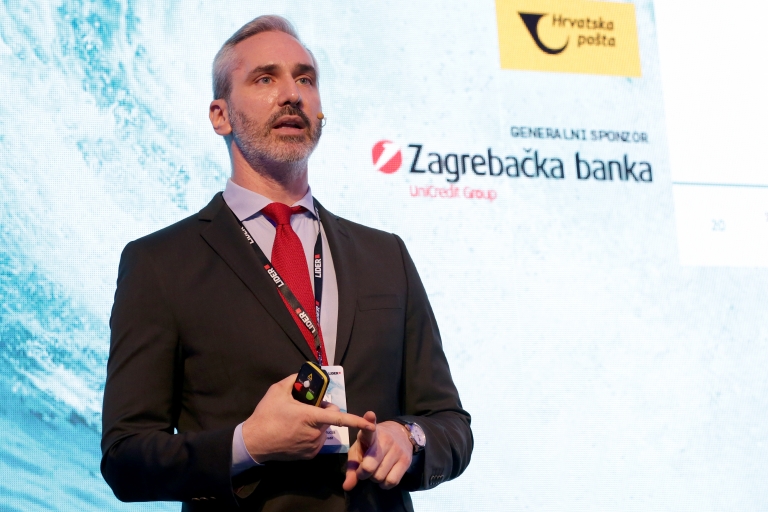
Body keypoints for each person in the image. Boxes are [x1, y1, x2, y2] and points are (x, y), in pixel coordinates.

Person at [101, 15, 472, 511]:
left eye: (305, 79)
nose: (292, 94)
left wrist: (410, 438)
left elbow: (450, 423)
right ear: (220, 115)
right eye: (264, 79)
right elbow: (126, 458)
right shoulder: (160, 263)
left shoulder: (387, 256)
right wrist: (248, 445)